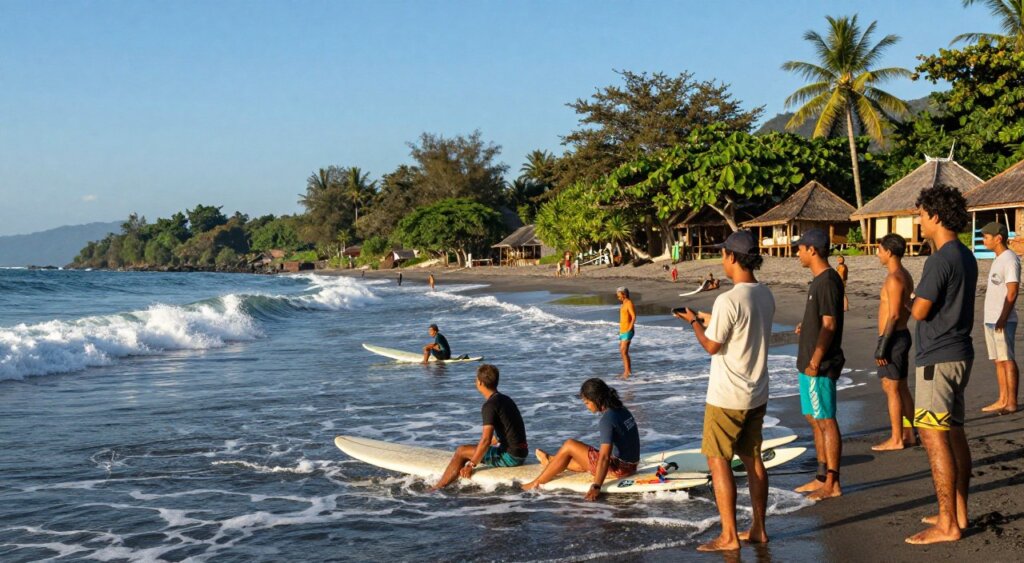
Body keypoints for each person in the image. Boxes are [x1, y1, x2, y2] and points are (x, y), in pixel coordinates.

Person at [674, 230, 774, 552]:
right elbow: (741, 328)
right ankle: (758, 528)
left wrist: (694, 324)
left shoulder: (728, 299)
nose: (721, 259)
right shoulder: (764, 294)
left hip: (727, 396)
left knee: (718, 460)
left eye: (723, 253)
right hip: (757, 391)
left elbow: (712, 346)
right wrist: (704, 317)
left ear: (732, 257)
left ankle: (729, 536)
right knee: (753, 459)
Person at [906, 185, 978, 545]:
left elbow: (920, 311)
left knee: (933, 437)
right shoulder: (966, 255)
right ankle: (957, 512)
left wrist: (910, 299)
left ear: (935, 216)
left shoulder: (940, 258)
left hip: (938, 357)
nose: (919, 221)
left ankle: (948, 523)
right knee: (954, 434)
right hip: (961, 352)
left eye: (921, 214)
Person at [792, 228, 845, 502]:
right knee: (814, 419)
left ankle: (833, 483)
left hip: (820, 365)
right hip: (810, 362)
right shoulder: (819, 281)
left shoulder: (827, 281)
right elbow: (821, 320)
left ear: (812, 249)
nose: (797, 253)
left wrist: (815, 360)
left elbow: (830, 324)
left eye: (800, 248)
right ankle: (821, 476)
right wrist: (806, 326)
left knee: (825, 420)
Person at [522, 378, 639, 501]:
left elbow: (604, 457)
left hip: (619, 470)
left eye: (587, 402)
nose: (586, 406)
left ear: (596, 400)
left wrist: (596, 486)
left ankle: (535, 483)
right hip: (632, 466)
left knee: (569, 445)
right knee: (578, 458)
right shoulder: (621, 409)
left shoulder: (607, 420)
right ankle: (551, 461)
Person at [432, 364, 528, 489]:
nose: (475, 381)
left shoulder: (489, 406)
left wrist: (471, 464)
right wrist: (479, 450)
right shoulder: (505, 399)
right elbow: (506, 432)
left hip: (510, 457)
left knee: (461, 451)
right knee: (473, 449)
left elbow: (486, 439)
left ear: (480, 383)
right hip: (521, 452)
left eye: (476, 379)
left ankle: (438, 487)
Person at [872, 233, 917, 451]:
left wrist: (883, 347)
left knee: (891, 388)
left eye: (879, 250)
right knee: (902, 388)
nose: (877, 254)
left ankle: (897, 437)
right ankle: (909, 433)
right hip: (899, 336)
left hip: (893, 337)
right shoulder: (904, 274)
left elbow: (894, 315)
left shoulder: (895, 278)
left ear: (889, 252)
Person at [980, 222, 1020, 414]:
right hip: (991, 317)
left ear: (998, 238)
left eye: (986, 237)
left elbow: (1012, 292)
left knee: (1007, 358)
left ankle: (1011, 401)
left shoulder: (1010, 259)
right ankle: (1002, 398)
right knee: (997, 360)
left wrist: (1003, 317)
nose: (983, 240)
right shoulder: (998, 259)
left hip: (1003, 318)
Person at [616, 287, 636, 378]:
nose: (618, 297)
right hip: (622, 331)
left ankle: (627, 372)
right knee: (622, 351)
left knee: (624, 351)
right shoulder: (623, 304)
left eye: (619, 295)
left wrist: (629, 328)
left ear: (624, 294)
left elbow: (633, 316)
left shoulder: (629, 303)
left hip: (628, 331)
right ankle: (627, 371)